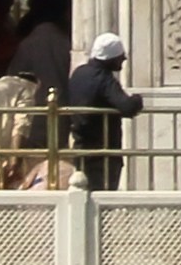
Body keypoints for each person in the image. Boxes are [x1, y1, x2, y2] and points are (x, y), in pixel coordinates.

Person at [53, 30, 138, 190]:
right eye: (120, 56)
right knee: (102, 197)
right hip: (103, 151)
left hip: (81, 146)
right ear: (110, 58)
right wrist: (137, 100)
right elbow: (127, 107)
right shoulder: (103, 78)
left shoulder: (80, 73)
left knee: (83, 190)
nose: (124, 59)